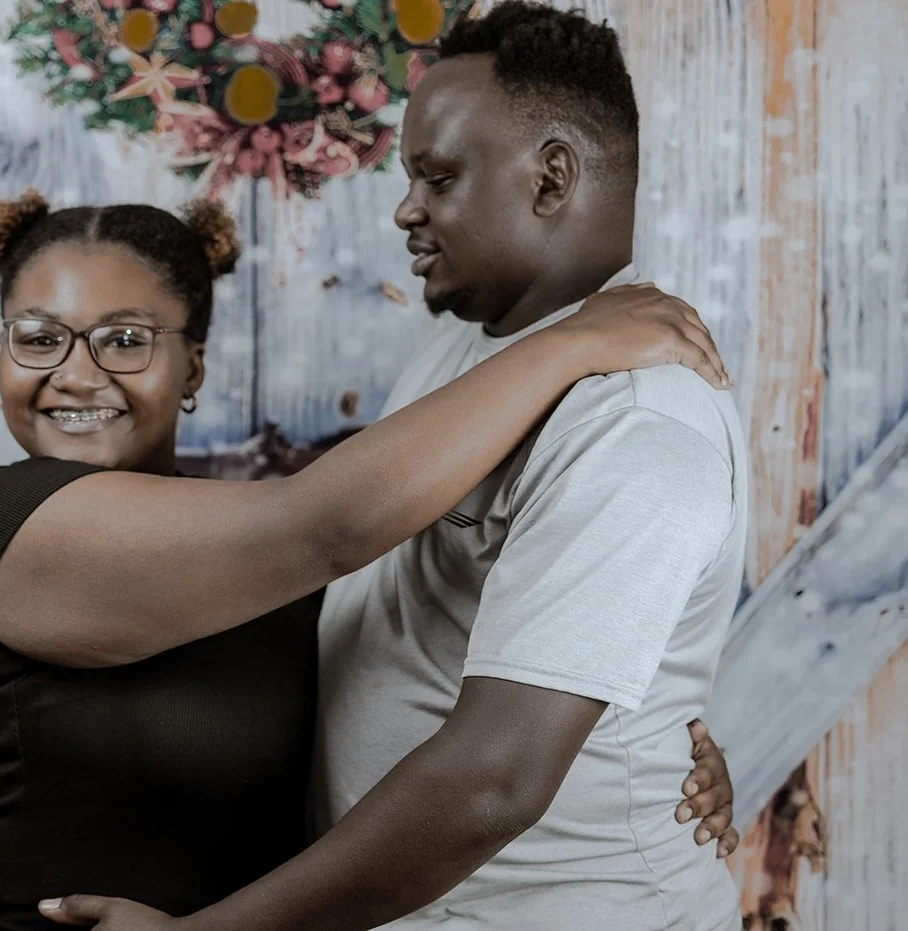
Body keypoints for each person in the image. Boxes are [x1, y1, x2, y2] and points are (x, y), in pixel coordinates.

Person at [37, 4, 748, 931]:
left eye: (438, 177)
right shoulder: (475, 344)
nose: (405, 209)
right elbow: (342, 552)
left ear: (553, 177)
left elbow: (497, 777)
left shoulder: (635, 422)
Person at [0, 176, 739, 931]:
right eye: (38, 337)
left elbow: (430, 667)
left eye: (124, 339)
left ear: (194, 367)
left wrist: (666, 761)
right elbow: (325, 523)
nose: (74, 373)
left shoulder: (267, 554)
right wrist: (573, 343)